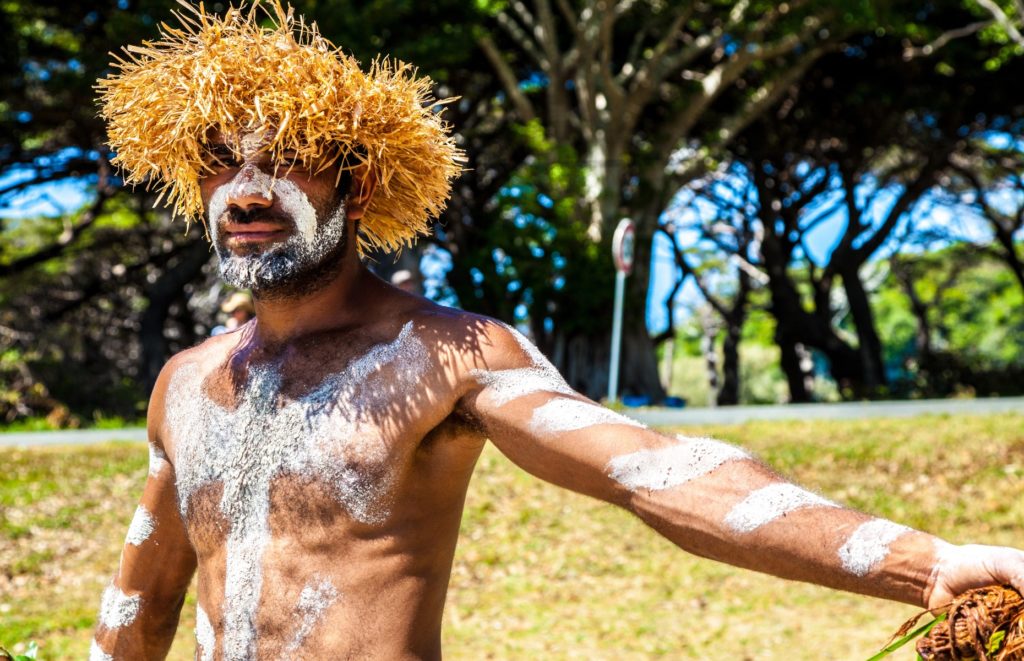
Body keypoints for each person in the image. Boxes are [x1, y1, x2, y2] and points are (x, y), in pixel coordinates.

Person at [91, 3, 1024, 660]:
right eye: (221, 163)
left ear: (359, 185)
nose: (246, 190)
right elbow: (144, 600)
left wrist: (928, 562)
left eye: (285, 158)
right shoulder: (186, 381)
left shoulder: (442, 356)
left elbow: (657, 473)